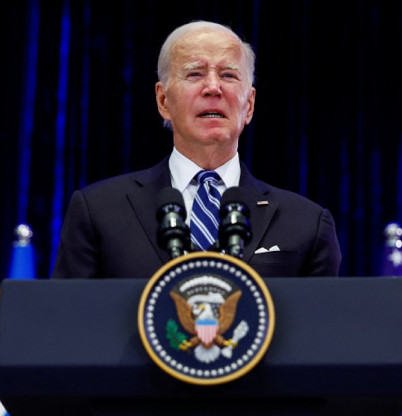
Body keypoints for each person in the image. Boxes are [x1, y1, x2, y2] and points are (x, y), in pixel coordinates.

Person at [51, 20, 341, 279]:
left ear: (249, 105)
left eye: (228, 75)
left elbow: (322, 332)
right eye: (195, 74)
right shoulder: (98, 211)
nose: (213, 87)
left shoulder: (306, 223)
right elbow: (67, 324)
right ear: (163, 101)